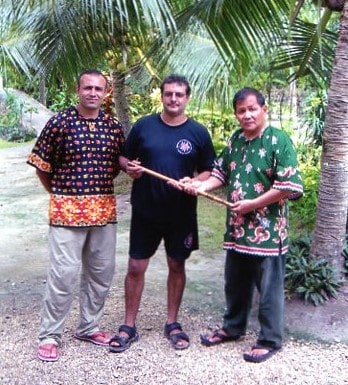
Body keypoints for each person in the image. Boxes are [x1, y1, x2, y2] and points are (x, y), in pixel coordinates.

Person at [183, 87, 303, 363]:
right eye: (241, 110)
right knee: (235, 283)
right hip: (237, 229)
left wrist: (253, 204)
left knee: (269, 288)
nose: (247, 115)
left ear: (264, 109)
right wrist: (199, 185)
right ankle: (233, 327)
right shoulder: (236, 140)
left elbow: (289, 186)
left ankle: (270, 339)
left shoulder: (278, 140)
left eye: (252, 109)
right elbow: (220, 173)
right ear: (236, 114)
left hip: (269, 233)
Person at [109, 74, 216, 352]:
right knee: (135, 267)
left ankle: (172, 323)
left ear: (187, 98)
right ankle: (128, 326)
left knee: (176, 265)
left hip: (181, 213)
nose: (173, 99)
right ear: (161, 95)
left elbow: (208, 169)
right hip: (145, 210)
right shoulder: (144, 126)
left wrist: (197, 182)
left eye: (179, 95)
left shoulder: (198, 133)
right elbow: (123, 156)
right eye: (168, 93)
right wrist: (127, 167)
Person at [27, 69, 125, 362]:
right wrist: (60, 193)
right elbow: (42, 166)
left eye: (99, 88)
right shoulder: (59, 123)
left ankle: (88, 326)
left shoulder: (113, 126)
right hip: (66, 213)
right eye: (88, 87)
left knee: (101, 273)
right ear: (77, 89)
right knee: (64, 275)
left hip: (104, 212)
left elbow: (117, 164)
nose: (93, 93)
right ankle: (50, 335)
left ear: (106, 93)